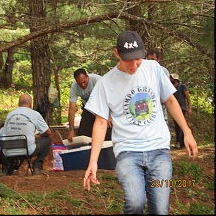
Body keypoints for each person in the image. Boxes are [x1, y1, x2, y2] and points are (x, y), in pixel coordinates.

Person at [83, 31, 198, 215]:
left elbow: (169, 100)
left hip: (159, 149)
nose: (134, 65)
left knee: (160, 210)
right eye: (128, 60)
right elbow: (101, 123)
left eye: (138, 59)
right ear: (117, 54)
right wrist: (93, 162)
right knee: (136, 203)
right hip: (128, 152)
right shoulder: (106, 83)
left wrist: (187, 132)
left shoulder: (153, 68)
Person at [3, 93, 53, 175]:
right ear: (30, 104)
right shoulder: (35, 114)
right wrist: (39, 136)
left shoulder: (10, 115)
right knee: (47, 140)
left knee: (22, 142)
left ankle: (8, 168)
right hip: (26, 150)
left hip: (9, 150)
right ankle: (37, 166)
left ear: (19, 104)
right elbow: (48, 133)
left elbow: (5, 133)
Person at [67, 68, 112, 142]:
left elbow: (109, 97)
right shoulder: (74, 87)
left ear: (87, 76)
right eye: (79, 83)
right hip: (89, 108)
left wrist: (109, 115)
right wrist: (71, 130)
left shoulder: (97, 80)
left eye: (84, 82)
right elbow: (72, 109)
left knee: (108, 128)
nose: (83, 85)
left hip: (103, 105)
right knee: (82, 132)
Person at [147, 48, 170, 126]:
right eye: (148, 59)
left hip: (160, 103)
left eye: (153, 59)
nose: (150, 62)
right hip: (147, 103)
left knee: (163, 124)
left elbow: (166, 90)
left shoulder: (163, 71)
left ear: (158, 60)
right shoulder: (144, 70)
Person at [170, 73, 192, 149]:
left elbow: (187, 97)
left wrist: (189, 108)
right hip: (174, 108)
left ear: (175, 79)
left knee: (179, 124)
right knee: (177, 125)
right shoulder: (171, 87)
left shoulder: (182, 86)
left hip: (182, 108)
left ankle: (179, 142)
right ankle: (181, 142)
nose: (170, 79)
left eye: (172, 78)